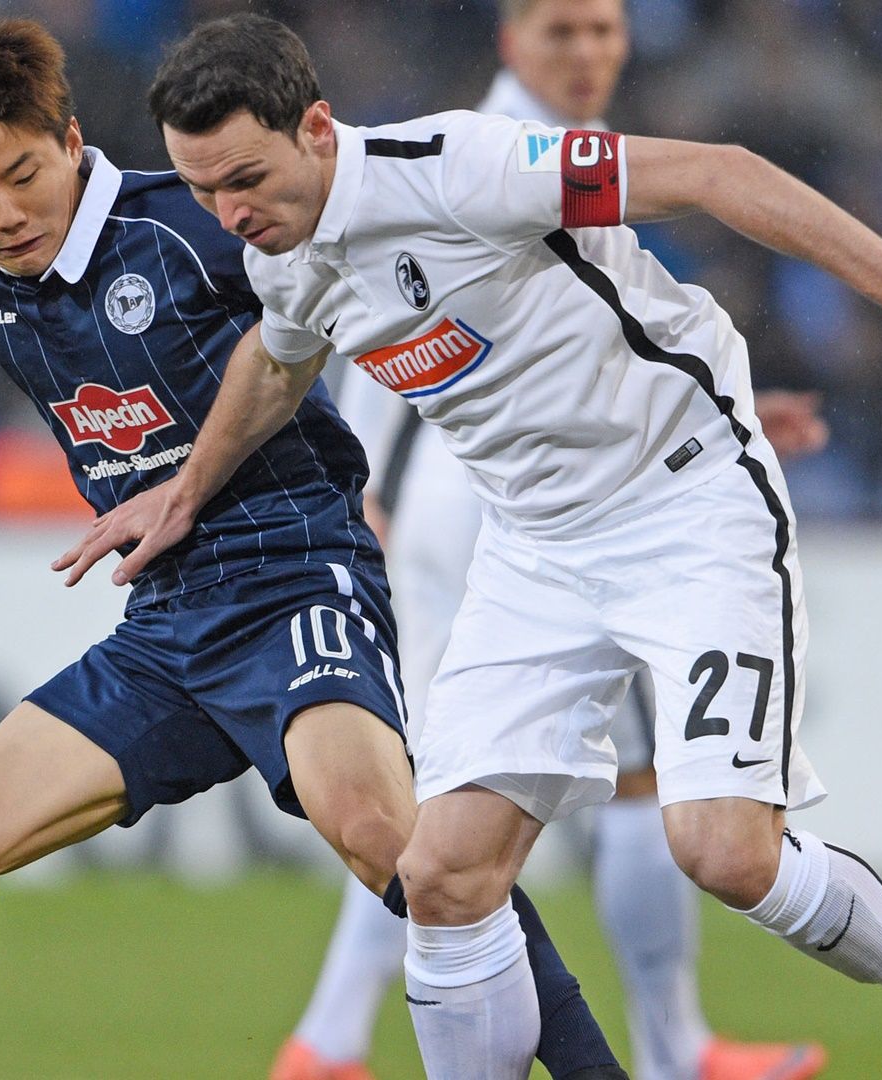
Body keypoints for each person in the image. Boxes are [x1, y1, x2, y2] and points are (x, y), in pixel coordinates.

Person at [0, 15, 631, 1080]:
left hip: (294, 575)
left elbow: (346, 276)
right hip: (167, 626)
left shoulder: (190, 223)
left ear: (72, 139)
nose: (3, 214)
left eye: (23, 175)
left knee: (394, 844)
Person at [69, 13, 882, 1080]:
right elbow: (279, 357)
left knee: (721, 848)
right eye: (202, 191)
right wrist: (188, 489)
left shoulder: (466, 171)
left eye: (244, 177)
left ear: (319, 128)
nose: (230, 213)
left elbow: (715, 172)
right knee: (442, 875)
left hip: (687, 504)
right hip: (533, 549)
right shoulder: (288, 255)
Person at [274, 3, 828, 1078]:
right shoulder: (483, 147)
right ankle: (661, 1049)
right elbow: (374, 315)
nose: (589, 53)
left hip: (533, 494)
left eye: (605, 30)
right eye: (562, 31)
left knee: (498, 796)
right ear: (508, 41)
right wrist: (362, 487)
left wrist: (728, 408)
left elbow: (583, 326)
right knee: (507, 803)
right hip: (504, 510)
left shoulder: (556, 154)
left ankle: (336, 1040)